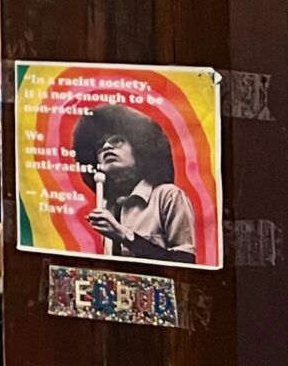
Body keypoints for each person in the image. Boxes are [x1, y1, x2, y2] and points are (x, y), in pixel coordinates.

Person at [74, 103, 197, 263]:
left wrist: (123, 236)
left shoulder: (168, 196)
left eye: (117, 140)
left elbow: (185, 262)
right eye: (99, 145)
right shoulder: (107, 206)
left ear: (139, 147)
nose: (106, 146)